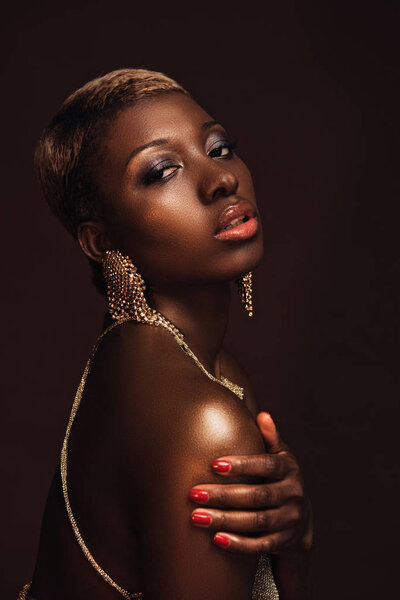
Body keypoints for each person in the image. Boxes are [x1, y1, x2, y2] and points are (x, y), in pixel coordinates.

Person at [20, 68, 312, 600]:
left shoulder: (137, 358)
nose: (221, 179)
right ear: (100, 239)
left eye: (219, 148)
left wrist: (290, 551)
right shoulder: (200, 418)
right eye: (161, 172)